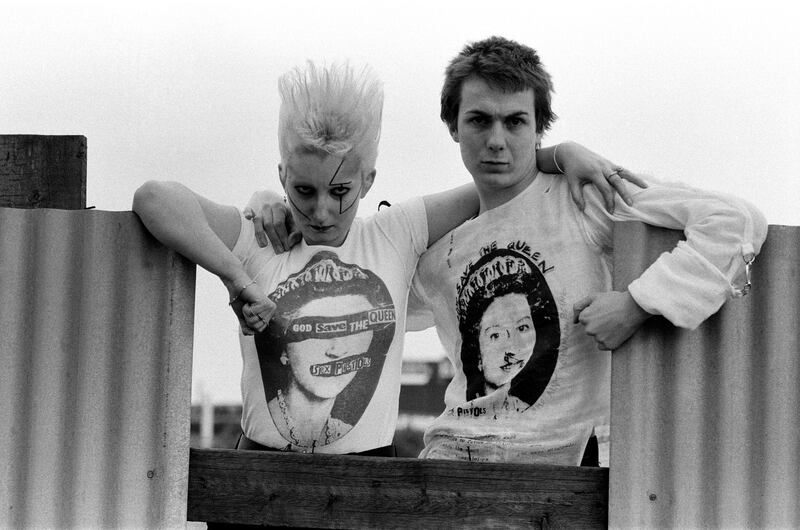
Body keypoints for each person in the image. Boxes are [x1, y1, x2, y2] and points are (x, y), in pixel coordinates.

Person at [133, 60, 636, 456]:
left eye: (341, 191)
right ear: (283, 176)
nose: (322, 211)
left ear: (369, 181)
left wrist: (560, 153)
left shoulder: (394, 235)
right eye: (303, 191)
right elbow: (155, 198)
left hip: (370, 476)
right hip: (260, 472)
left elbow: (500, 177)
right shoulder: (258, 239)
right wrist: (234, 276)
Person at [400, 36, 768, 466]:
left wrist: (637, 304)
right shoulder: (437, 252)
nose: (497, 140)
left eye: (515, 122)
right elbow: (368, 310)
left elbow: (734, 220)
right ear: (453, 127)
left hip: (562, 468)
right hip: (451, 460)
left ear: (539, 128)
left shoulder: (583, 196)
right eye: (479, 121)